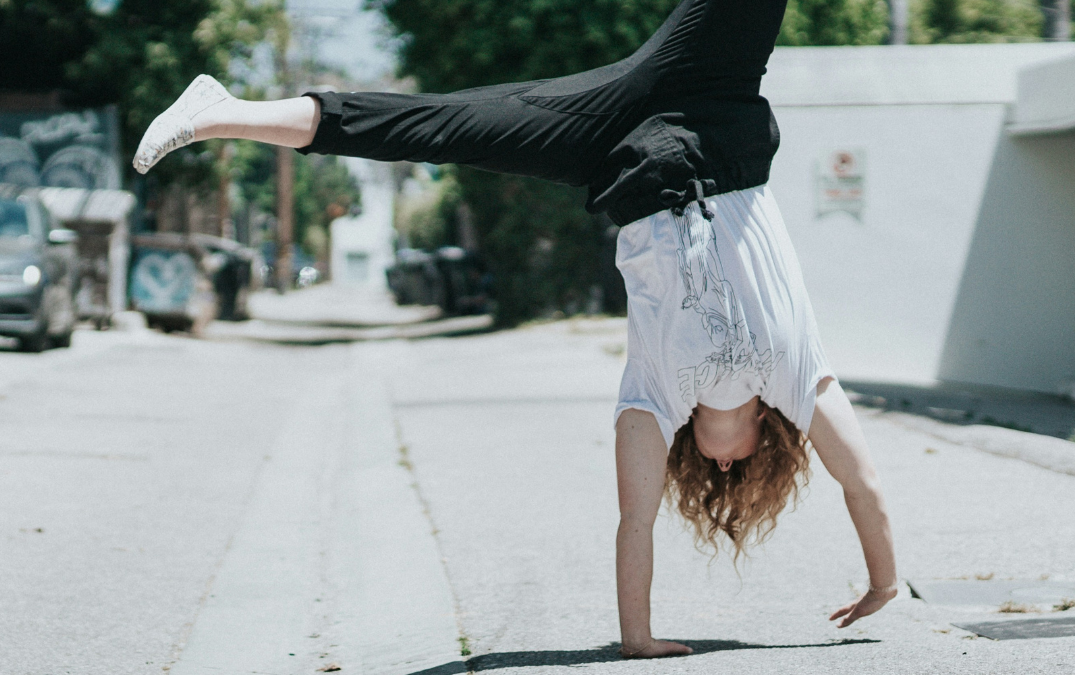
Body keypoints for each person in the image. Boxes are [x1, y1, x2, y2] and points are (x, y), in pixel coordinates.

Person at [134, 0, 897, 659]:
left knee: (438, 126)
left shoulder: (655, 397)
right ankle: (218, 107)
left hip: (611, 149)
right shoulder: (796, 375)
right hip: (710, 102)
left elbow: (636, 520)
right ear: (768, 431)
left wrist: (638, 638)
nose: (725, 467)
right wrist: (885, 581)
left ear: (693, 453)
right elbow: (860, 481)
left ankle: (217, 113)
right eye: (742, 467)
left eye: (713, 473)